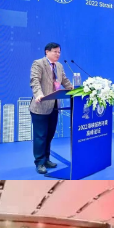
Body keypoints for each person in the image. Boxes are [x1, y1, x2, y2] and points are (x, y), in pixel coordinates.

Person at [28, 42, 73, 174]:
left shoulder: (59, 66)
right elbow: (34, 81)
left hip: (54, 106)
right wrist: (39, 94)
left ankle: (46, 159)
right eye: (55, 51)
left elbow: (65, 81)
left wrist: (75, 90)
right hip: (40, 105)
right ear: (47, 52)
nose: (58, 54)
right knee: (40, 136)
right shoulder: (38, 63)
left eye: (59, 52)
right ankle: (39, 162)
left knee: (49, 135)